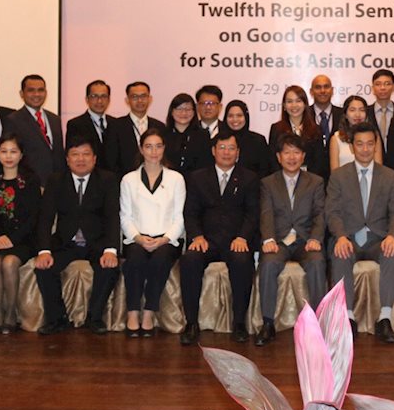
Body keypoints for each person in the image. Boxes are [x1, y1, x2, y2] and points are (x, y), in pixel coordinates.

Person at [325, 122, 394, 344]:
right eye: (360, 144)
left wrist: (392, 236)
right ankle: (347, 317)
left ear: (376, 145)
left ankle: (385, 318)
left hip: (378, 239)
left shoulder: (390, 176)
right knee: (339, 252)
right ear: (352, 147)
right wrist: (340, 236)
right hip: (348, 238)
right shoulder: (339, 176)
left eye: (370, 144)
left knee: (392, 253)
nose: (365, 149)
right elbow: (332, 212)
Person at [34, 137, 121, 335]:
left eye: (85, 154)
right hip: (66, 242)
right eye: (75, 154)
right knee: (43, 269)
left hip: (96, 241)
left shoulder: (107, 179)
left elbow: (112, 216)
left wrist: (110, 250)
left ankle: (95, 317)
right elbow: (46, 218)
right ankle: (57, 319)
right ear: (67, 159)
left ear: (95, 158)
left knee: (109, 268)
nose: (80, 159)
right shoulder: (55, 180)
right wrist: (44, 250)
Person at [180, 131, 260, 345]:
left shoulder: (249, 178)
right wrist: (196, 235)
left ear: (238, 152)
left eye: (231, 148)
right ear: (213, 151)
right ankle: (191, 323)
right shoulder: (198, 177)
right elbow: (190, 212)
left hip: (236, 240)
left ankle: (239, 323)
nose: (226, 152)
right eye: (222, 148)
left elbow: (253, 214)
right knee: (189, 260)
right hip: (206, 240)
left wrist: (243, 237)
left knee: (243, 261)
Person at [255, 134, 327, 346]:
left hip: (306, 241)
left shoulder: (315, 182)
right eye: (287, 152)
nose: (292, 157)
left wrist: (315, 238)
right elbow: (266, 213)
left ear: (303, 155)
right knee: (267, 264)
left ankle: (318, 323)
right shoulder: (268, 183)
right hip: (279, 241)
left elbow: (319, 214)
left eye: (296, 152)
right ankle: (268, 323)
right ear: (278, 156)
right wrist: (268, 239)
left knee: (317, 261)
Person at [119, 128, 184, 338]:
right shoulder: (129, 179)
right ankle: (132, 311)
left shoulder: (176, 179)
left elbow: (180, 217)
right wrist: (138, 237)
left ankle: (148, 312)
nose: (153, 151)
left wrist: (164, 239)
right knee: (135, 261)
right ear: (141, 149)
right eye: (148, 146)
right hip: (136, 238)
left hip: (166, 240)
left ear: (164, 149)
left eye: (158, 146)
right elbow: (125, 216)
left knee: (159, 261)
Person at [0, 133, 41, 335]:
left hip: (22, 240)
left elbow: (34, 217)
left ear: (21, 154)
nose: (8, 156)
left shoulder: (30, 180)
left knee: (9, 262)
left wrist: (12, 239)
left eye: (13, 151)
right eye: (4, 151)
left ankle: (10, 312)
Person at [3, 75, 64, 182]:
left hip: (56, 183)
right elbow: (13, 156)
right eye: (31, 90)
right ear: (22, 94)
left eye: (41, 90)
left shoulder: (55, 119)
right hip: (30, 184)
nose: (36, 94)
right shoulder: (13, 120)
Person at [268, 85, 328, 179]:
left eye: (298, 101)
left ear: (305, 104)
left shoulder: (316, 130)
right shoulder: (276, 129)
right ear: (284, 106)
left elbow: (319, 162)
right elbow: (273, 159)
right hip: (282, 181)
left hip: (310, 181)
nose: (294, 105)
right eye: (289, 101)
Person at [105, 81, 165, 175]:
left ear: (150, 99)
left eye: (143, 96)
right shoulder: (115, 126)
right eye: (134, 97)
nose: (140, 100)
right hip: (123, 180)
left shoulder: (160, 126)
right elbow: (110, 160)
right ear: (127, 100)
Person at [66, 79, 116, 163]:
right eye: (94, 96)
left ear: (109, 99)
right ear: (87, 99)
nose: (99, 101)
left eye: (103, 96)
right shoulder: (75, 124)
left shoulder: (116, 123)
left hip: (114, 175)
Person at [163, 93, 214, 174]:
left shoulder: (203, 135)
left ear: (194, 112)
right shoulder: (162, 134)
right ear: (171, 112)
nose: (183, 113)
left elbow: (206, 164)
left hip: (195, 183)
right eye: (179, 109)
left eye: (188, 109)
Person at [329, 95, 383, 170]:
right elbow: (334, 173)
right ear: (345, 115)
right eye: (352, 110)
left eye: (362, 110)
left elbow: (379, 168)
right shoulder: (336, 138)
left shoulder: (374, 136)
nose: (357, 114)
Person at [366, 69, 394, 157]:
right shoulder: (365, 113)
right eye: (378, 84)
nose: (383, 88)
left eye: (387, 84)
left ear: (393, 87)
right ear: (373, 88)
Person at [224, 100, 272, 177]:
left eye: (239, 115)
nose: (235, 119)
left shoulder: (258, 141)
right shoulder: (219, 140)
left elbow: (265, 170)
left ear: (246, 117)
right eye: (230, 116)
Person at [310, 74, 344, 149]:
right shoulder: (304, 114)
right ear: (311, 92)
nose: (323, 91)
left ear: (332, 90)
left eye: (326, 87)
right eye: (318, 87)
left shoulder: (343, 114)